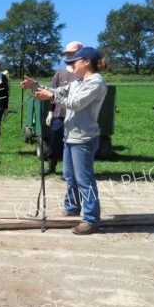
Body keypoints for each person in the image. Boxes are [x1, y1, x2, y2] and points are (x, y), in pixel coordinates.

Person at [21, 47, 108, 235]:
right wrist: (35, 85)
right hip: (71, 135)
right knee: (70, 176)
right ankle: (72, 208)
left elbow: (76, 104)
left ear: (86, 62)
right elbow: (58, 90)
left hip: (84, 138)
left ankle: (92, 219)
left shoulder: (96, 82)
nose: (71, 64)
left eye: (74, 61)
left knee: (85, 180)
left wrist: (51, 96)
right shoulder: (78, 81)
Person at [43, 41, 82, 175]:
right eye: (67, 53)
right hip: (59, 113)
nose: (68, 56)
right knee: (54, 138)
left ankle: (72, 170)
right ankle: (51, 165)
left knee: (74, 143)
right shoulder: (59, 73)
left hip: (77, 115)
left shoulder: (83, 74)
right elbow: (53, 93)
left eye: (71, 53)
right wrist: (50, 112)